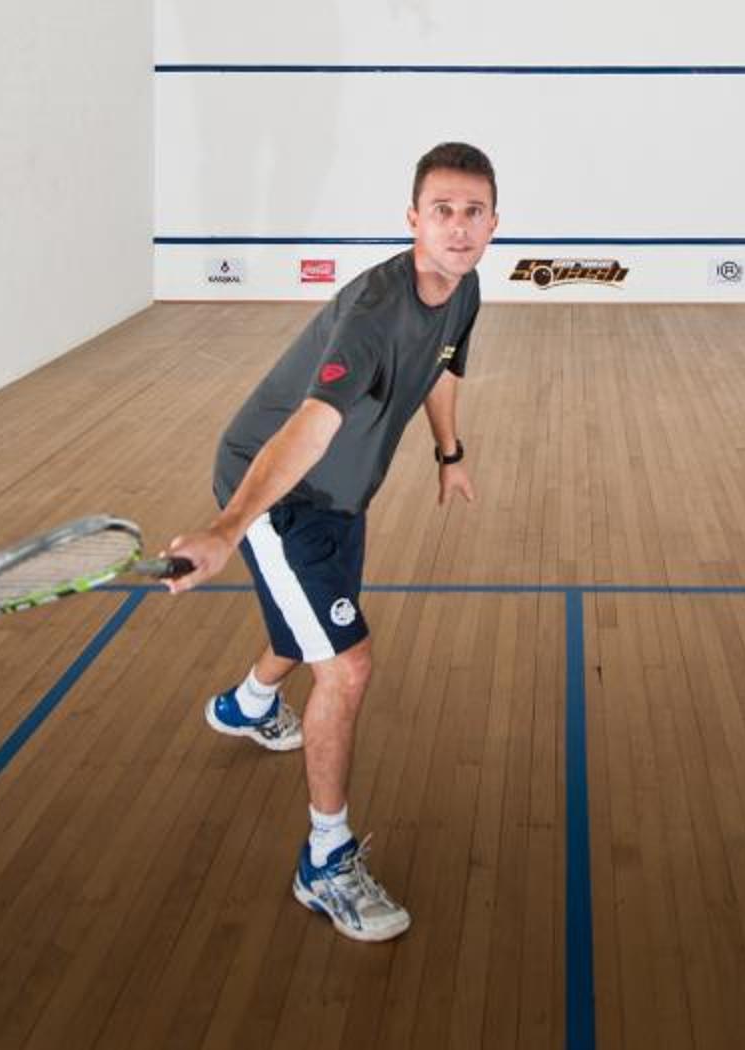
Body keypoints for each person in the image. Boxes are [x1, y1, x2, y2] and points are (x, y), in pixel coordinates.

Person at [163, 141, 498, 942]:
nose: (458, 227)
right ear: (412, 218)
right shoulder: (374, 315)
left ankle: (246, 705)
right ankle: (326, 860)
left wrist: (449, 453)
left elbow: (443, 368)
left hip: (342, 494)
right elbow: (310, 428)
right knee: (346, 665)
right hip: (282, 490)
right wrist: (227, 529)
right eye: (442, 211)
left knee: (311, 621)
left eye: (473, 212)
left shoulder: (464, 287)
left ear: (493, 222)